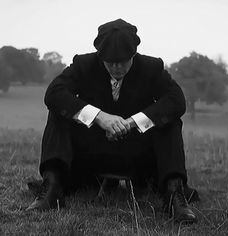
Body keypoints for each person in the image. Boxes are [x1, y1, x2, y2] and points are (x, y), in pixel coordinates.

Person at [27, 19, 198, 223]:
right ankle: (52, 188)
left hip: (137, 156)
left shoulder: (152, 67)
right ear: (100, 56)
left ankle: (174, 194)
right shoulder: (83, 64)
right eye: (110, 62)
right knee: (59, 112)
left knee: (170, 121)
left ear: (133, 54)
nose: (117, 67)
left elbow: (176, 101)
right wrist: (100, 117)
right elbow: (54, 94)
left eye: (123, 61)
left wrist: (133, 122)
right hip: (91, 155)